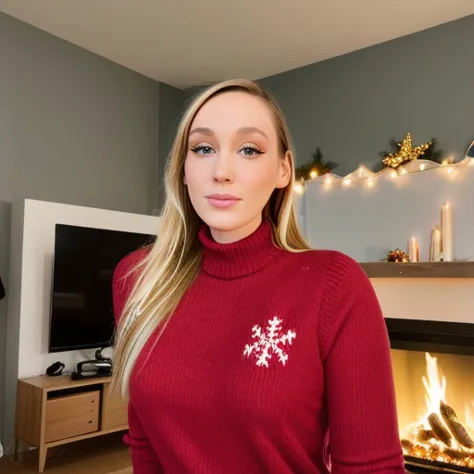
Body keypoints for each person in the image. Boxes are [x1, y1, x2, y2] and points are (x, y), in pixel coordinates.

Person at [111, 79, 405, 473]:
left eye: (249, 149)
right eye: (203, 148)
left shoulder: (334, 285)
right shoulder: (138, 279)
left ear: (284, 170)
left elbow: (373, 469)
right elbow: (145, 445)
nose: (222, 172)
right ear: (183, 170)